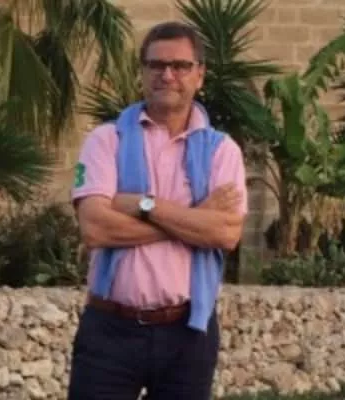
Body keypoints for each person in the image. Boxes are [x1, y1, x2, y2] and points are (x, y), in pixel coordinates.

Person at [68, 21, 248, 400]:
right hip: (110, 330)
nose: (167, 75)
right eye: (156, 65)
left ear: (199, 75)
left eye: (180, 66)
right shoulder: (107, 140)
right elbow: (96, 228)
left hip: (188, 333)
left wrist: (141, 205)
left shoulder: (222, 151)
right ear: (143, 72)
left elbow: (225, 234)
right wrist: (194, 218)